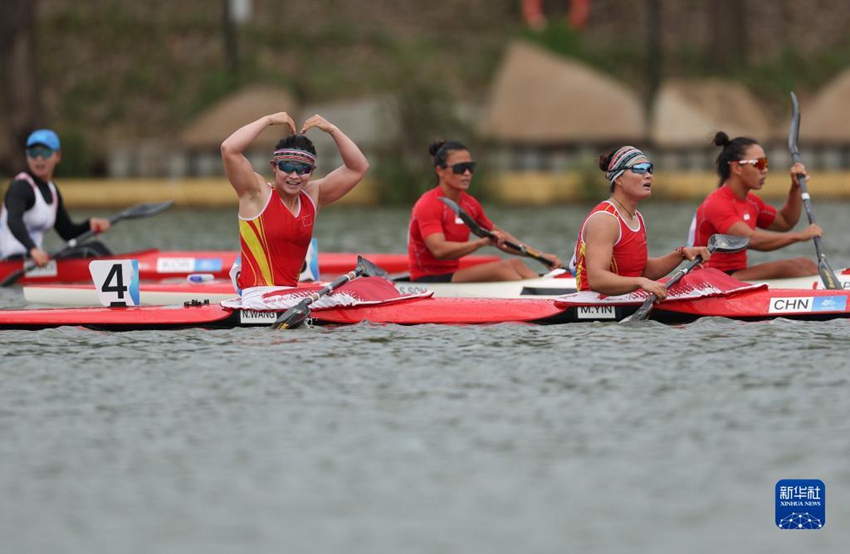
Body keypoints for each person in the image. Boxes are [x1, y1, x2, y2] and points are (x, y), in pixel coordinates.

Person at [221, 112, 369, 290]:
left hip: (290, 298)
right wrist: (268, 120)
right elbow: (229, 149)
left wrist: (332, 129)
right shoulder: (256, 192)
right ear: (274, 166)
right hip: (256, 298)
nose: (294, 176)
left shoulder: (313, 195)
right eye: (287, 167)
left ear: (311, 171)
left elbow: (358, 168)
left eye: (302, 169)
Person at [407, 140, 562, 283]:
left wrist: (541, 256)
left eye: (470, 167)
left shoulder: (470, 204)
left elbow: (502, 239)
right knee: (503, 269)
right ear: (440, 171)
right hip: (427, 279)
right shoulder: (428, 204)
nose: (467, 173)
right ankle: (536, 304)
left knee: (515, 264)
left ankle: (549, 297)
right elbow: (439, 251)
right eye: (460, 168)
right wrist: (482, 242)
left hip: (452, 275)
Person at [573, 145, 710, 299]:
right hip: (595, 305)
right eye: (639, 169)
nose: (648, 175)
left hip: (626, 298)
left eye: (649, 169)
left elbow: (642, 270)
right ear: (618, 179)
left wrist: (682, 254)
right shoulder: (604, 220)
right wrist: (641, 283)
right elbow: (597, 280)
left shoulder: (636, 217)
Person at [689, 132, 822, 280]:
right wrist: (799, 236)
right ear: (737, 168)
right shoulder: (717, 203)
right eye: (758, 164)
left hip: (734, 274)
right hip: (709, 279)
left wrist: (795, 188)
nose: (765, 169)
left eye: (765, 163)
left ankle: (831, 296)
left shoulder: (752, 202)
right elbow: (750, 239)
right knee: (792, 268)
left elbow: (785, 221)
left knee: (806, 264)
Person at [0, 129, 112, 265]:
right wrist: (33, 250)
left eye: (45, 152)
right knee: (91, 252)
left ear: (57, 156)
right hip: (9, 260)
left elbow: (68, 232)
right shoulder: (21, 186)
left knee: (97, 247)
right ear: (27, 156)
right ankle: (131, 276)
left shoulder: (52, 191)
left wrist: (89, 225)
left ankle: (130, 276)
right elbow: (13, 221)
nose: (39, 158)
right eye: (33, 153)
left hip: (35, 260)